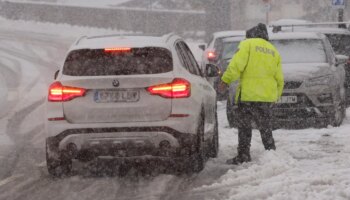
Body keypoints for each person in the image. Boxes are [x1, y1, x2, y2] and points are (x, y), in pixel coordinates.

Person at [219, 23, 284, 165]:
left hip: (248, 95)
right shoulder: (273, 50)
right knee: (265, 127)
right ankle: (271, 152)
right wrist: (276, 96)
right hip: (266, 97)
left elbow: (236, 65)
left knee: (244, 127)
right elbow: (279, 79)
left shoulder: (247, 44)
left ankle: (243, 155)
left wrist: (225, 80)